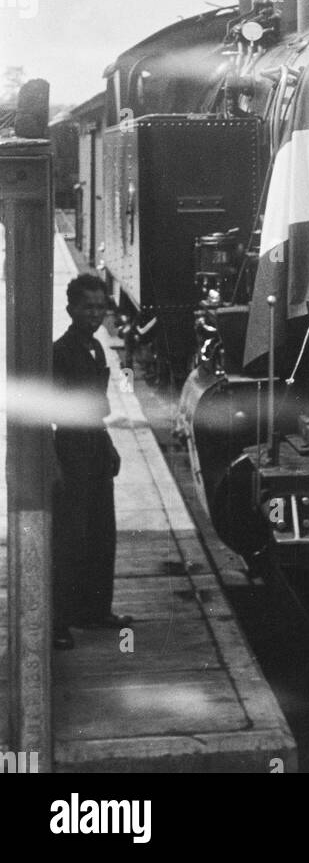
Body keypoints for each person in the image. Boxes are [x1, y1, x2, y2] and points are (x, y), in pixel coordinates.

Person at [52, 274, 132, 650]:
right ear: (71, 309)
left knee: (102, 532)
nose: (96, 314)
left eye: (101, 307)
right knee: (70, 537)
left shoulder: (97, 349)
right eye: (89, 307)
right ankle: (58, 621)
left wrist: (108, 445)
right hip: (70, 446)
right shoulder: (60, 352)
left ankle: (95, 610)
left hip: (94, 443)